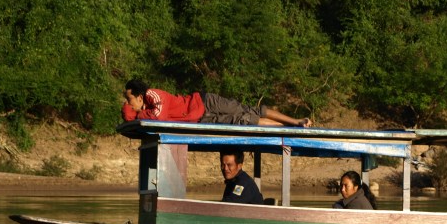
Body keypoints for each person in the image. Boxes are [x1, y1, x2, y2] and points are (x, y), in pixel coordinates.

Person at [122, 79, 312, 127]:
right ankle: (288, 127)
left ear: (139, 96)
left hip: (205, 102)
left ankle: (295, 121)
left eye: (129, 99)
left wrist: (136, 114)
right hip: (201, 120)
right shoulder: (146, 112)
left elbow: (160, 117)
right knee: (244, 120)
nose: (128, 104)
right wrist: (134, 114)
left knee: (249, 110)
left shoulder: (152, 95)